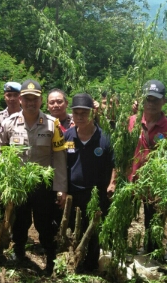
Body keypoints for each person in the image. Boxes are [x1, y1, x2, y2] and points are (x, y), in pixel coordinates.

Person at [0, 79, 67, 275]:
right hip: (19, 184)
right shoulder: (9, 123)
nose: (30, 103)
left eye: (34, 99)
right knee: (20, 222)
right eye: (27, 99)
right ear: (20, 100)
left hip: (43, 186)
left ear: (41, 100)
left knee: (44, 224)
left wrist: (61, 187)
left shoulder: (53, 125)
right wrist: (4, 179)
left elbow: (59, 157)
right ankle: (19, 253)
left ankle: (51, 260)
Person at [64, 93, 116, 272]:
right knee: (75, 227)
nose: (80, 116)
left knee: (94, 229)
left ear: (93, 113)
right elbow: (62, 164)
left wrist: (112, 183)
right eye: (76, 113)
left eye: (84, 113)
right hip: (74, 191)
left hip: (97, 192)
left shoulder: (104, 138)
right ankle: (75, 261)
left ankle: (91, 264)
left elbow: (115, 163)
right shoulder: (68, 137)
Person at [128, 80, 167, 254]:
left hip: (155, 187)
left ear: (164, 101)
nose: (151, 103)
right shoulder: (131, 122)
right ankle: (120, 250)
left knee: (153, 222)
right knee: (123, 217)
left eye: (155, 100)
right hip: (130, 181)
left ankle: (151, 255)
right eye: (147, 99)